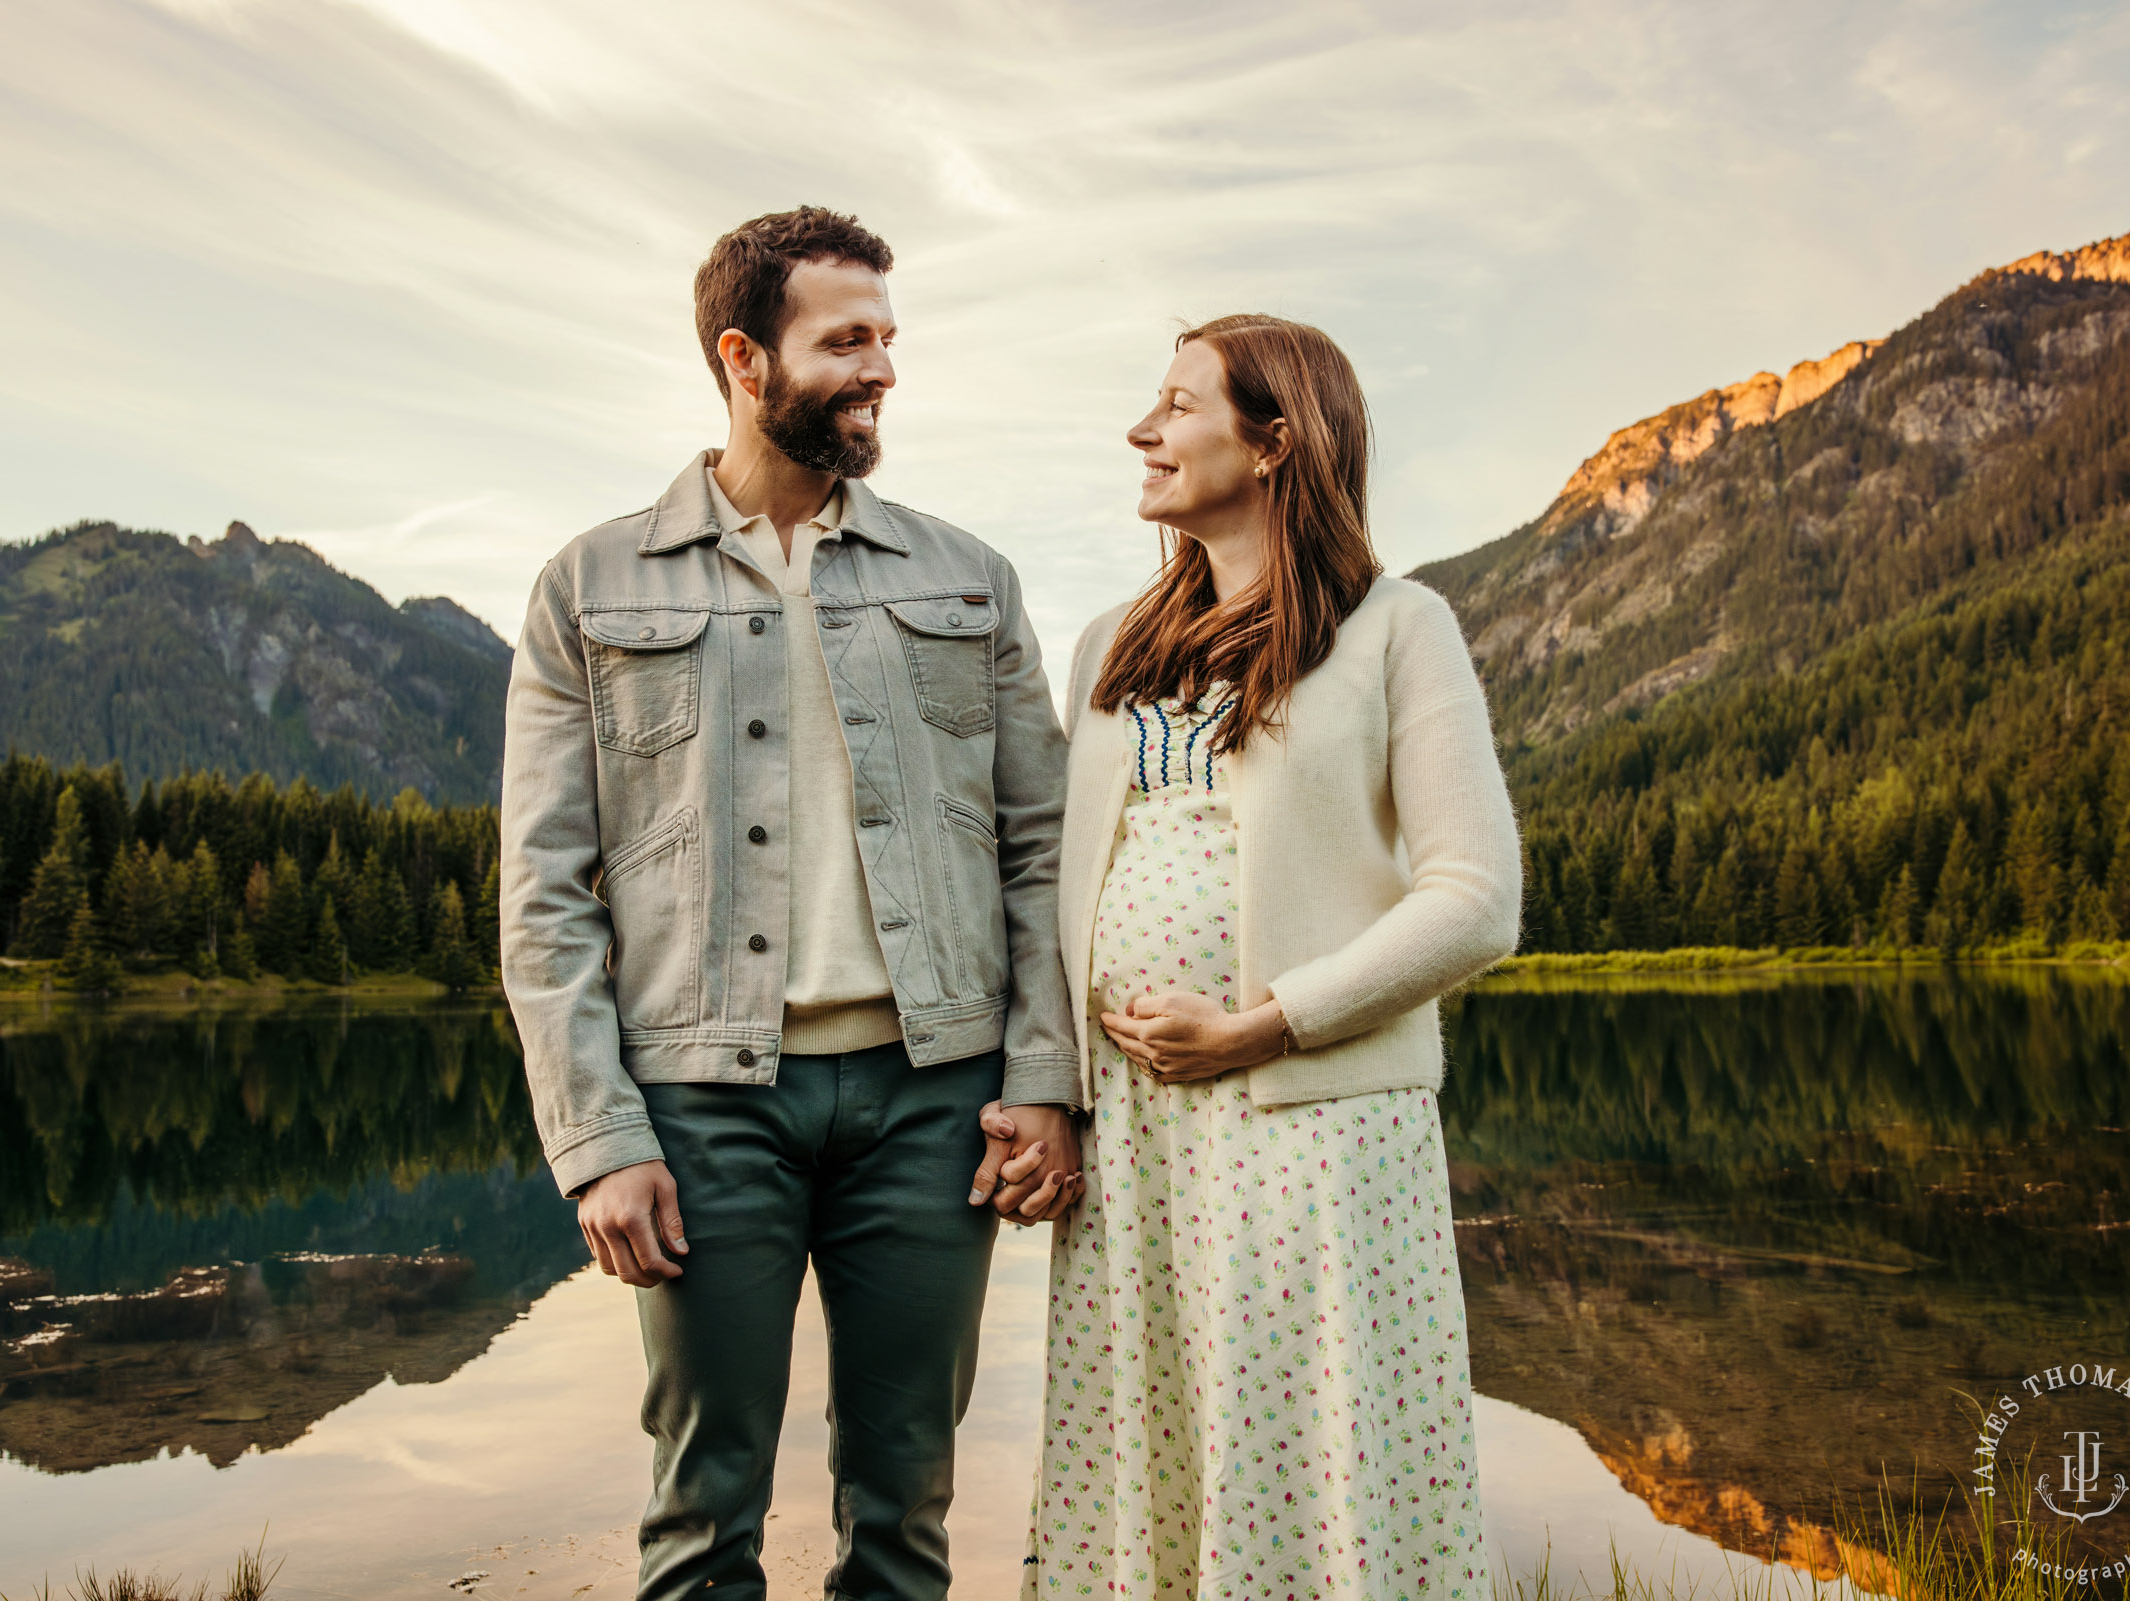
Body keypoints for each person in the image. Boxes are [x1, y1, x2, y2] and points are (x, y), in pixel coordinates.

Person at [498, 205, 1083, 1601]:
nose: (883, 368)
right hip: (702, 1104)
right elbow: (545, 892)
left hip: (934, 1100)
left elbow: (1043, 849)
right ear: (744, 359)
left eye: (890, 337)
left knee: (906, 1510)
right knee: (703, 1515)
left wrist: (1047, 1081)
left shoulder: (969, 577)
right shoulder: (590, 585)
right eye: (848, 340)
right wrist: (597, 1139)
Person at [995, 314, 1523, 1599]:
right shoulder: (1112, 641)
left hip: (1312, 1120)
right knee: (1156, 1449)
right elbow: (1060, 887)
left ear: (1276, 440)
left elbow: (1476, 898)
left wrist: (1267, 1021)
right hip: (1136, 1132)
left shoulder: (1399, 627)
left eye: (1177, 405)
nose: (1143, 430)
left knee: (1315, 1455)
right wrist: (1058, 1090)